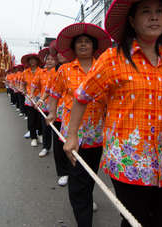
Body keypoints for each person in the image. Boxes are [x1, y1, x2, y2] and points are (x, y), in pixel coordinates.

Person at [64, 0, 162, 227]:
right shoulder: (112, 59)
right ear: (132, 21)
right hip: (129, 166)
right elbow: (82, 96)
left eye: (159, 12)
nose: (154, 17)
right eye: (146, 12)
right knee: (136, 223)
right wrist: (72, 135)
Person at [47, 23, 111, 227]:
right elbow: (55, 94)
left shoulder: (103, 68)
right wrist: (52, 112)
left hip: (97, 133)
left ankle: (87, 197)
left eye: (87, 42)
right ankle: (84, 221)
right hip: (72, 133)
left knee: (90, 172)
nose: (83, 45)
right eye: (79, 42)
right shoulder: (64, 70)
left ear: (93, 47)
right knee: (76, 178)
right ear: (73, 48)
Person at [46, 40, 71, 186]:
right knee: (59, 143)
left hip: (75, 115)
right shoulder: (55, 72)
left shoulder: (79, 68)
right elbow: (51, 91)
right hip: (59, 113)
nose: (60, 55)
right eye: (57, 53)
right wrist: (50, 110)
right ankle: (63, 172)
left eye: (63, 51)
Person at [33, 52, 58, 157]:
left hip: (57, 105)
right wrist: (35, 97)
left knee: (57, 130)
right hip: (44, 103)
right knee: (46, 127)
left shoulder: (59, 71)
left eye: (52, 59)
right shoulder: (40, 72)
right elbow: (35, 84)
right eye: (48, 59)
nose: (49, 61)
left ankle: (61, 152)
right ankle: (46, 147)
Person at [21, 54, 43, 147]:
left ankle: (40, 134)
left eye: (34, 60)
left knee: (40, 118)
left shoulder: (42, 71)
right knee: (31, 119)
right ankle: (33, 137)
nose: (32, 62)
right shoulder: (25, 72)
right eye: (30, 60)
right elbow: (23, 83)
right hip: (30, 98)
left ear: (37, 61)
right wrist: (24, 91)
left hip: (40, 98)